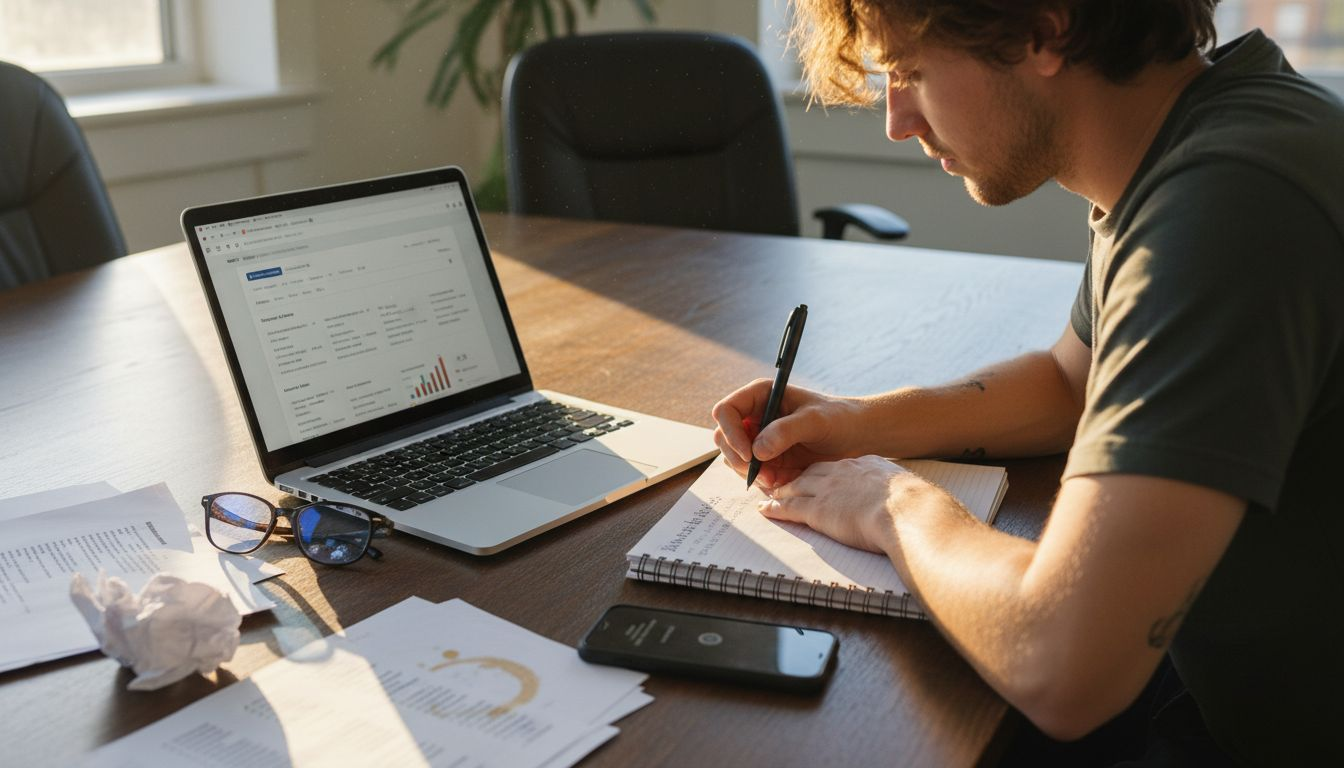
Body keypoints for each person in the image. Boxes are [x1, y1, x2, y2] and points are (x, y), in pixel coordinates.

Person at [711, 1, 1343, 764]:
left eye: (909, 72)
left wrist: (890, 501)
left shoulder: (1227, 206)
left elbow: (1063, 662)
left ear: (1044, 29)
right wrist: (858, 422)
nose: (897, 121)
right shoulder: (1202, 138)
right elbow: (1070, 384)